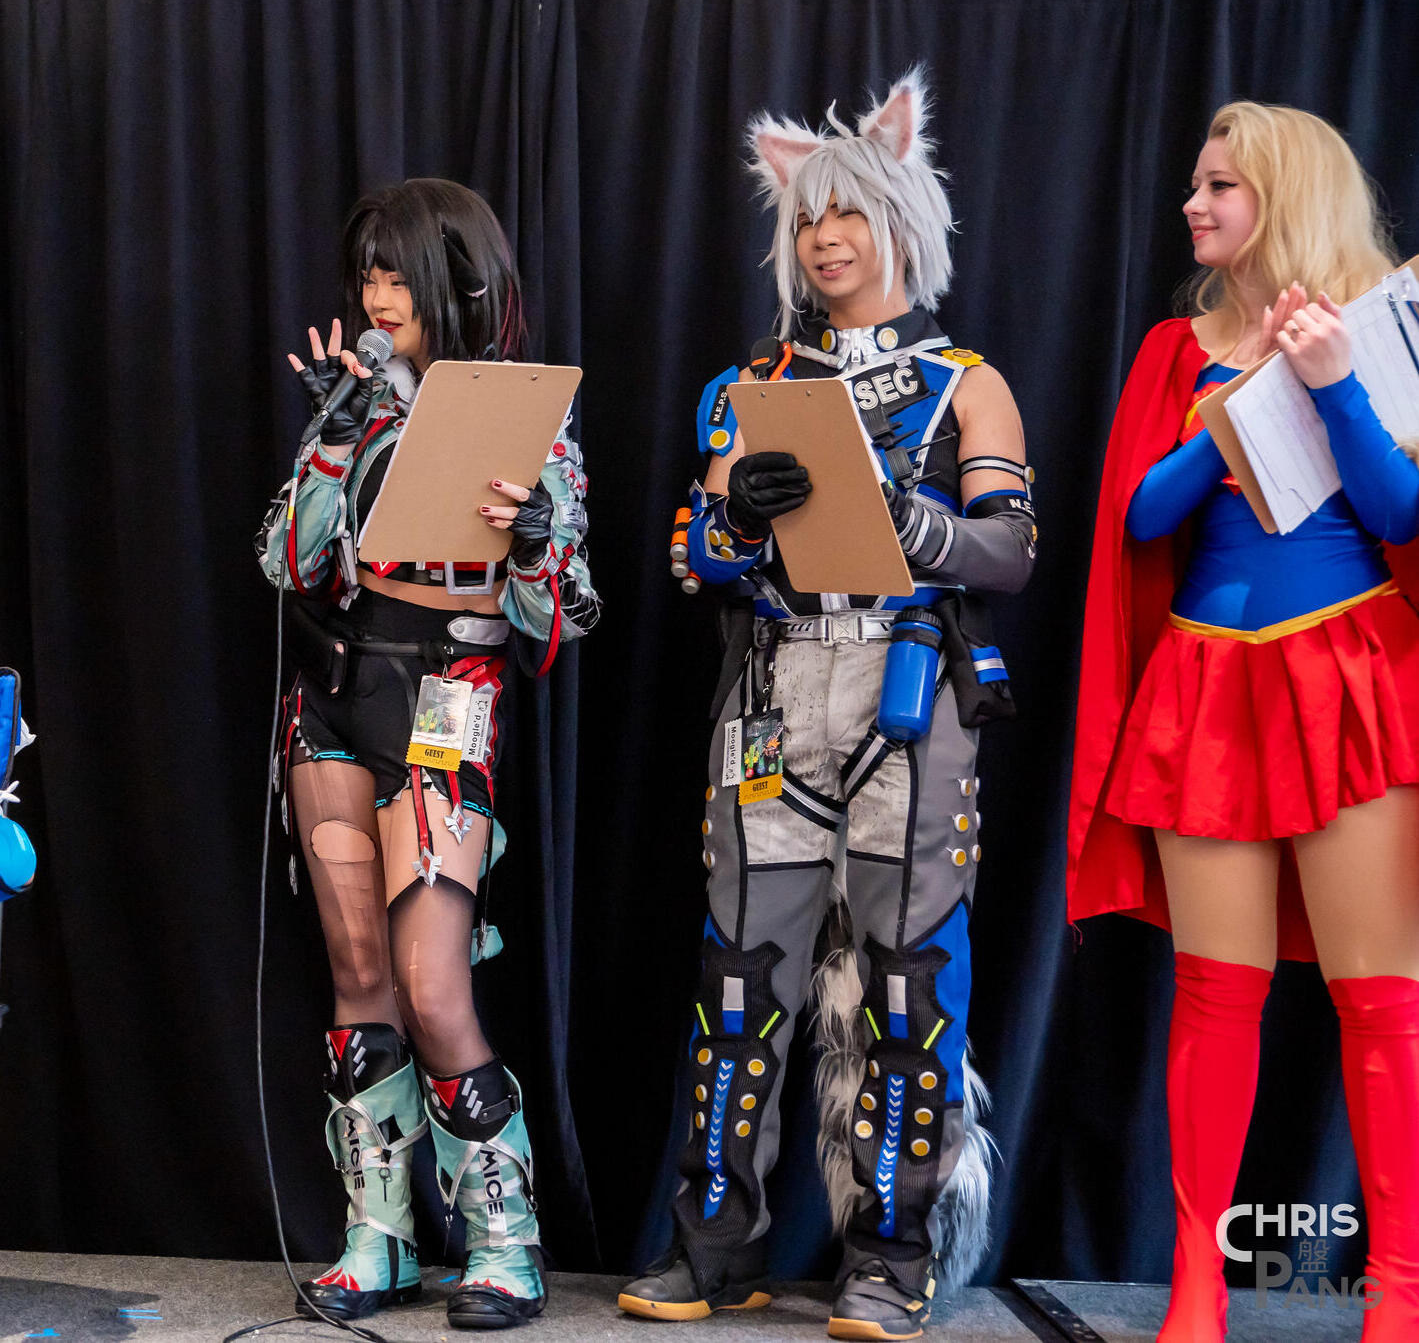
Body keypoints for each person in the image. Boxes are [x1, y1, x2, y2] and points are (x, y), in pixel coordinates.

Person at [619, 70, 1036, 1341]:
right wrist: (735, 520)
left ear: (904, 217)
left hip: (907, 697)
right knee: (738, 987)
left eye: (848, 214)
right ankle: (714, 1242)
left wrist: (916, 523)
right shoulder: (749, 385)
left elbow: (1012, 552)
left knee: (908, 988)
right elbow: (695, 563)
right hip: (771, 693)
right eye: (807, 219)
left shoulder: (969, 381)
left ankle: (892, 1252)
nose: (826, 239)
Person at [1068, 102, 1419, 1343]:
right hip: (1206, 690)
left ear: (1287, 194)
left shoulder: (1380, 328)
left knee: (1382, 1001)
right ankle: (1198, 1287)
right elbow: (1142, 518)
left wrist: (1328, 384)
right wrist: (1238, 411)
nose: (1194, 204)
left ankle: (1401, 1297)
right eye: (1194, 185)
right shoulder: (1180, 347)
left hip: (1350, 682)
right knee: (1216, 995)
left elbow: (1400, 507)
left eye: (1221, 186)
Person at [256, 178, 599, 1329]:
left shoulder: (526, 415)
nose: (376, 293)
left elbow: (564, 618)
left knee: (432, 981)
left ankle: (507, 1239)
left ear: (458, 277)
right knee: (357, 976)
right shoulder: (350, 402)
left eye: (398, 270)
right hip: (339, 688)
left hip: (452, 692)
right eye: (366, 272)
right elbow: (286, 565)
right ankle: (378, 1240)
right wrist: (332, 438)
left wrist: (540, 542)